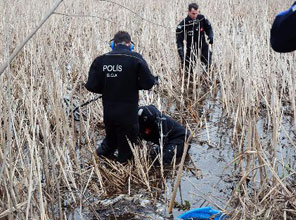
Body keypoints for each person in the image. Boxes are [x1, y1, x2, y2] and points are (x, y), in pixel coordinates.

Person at [85, 31, 157, 163]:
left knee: (111, 141)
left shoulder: (101, 60)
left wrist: (109, 86)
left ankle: (99, 163)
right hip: (128, 114)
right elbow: (148, 84)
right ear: (130, 44)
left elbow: (90, 86)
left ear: (113, 44)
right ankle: (124, 175)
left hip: (109, 113)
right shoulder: (136, 59)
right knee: (127, 151)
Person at [176, 3, 214, 74]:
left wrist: (210, 36)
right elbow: (179, 42)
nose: (195, 15)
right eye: (193, 13)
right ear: (189, 12)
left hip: (203, 46)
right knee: (188, 70)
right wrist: (182, 55)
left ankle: (206, 79)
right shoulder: (183, 25)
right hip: (191, 49)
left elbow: (209, 28)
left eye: (196, 13)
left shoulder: (202, 18)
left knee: (208, 65)